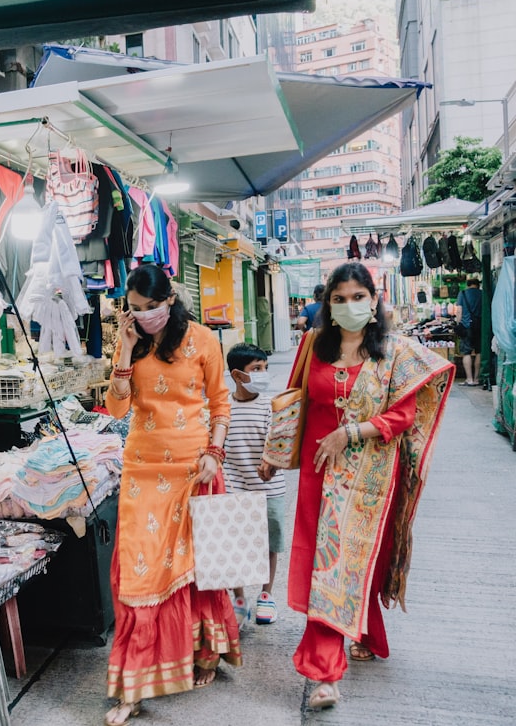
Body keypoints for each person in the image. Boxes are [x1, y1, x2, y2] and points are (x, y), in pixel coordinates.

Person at [286, 262, 453, 709]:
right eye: (339, 299)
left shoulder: (395, 353)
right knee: (328, 563)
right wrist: (271, 454)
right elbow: (294, 402)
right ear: (328, 305)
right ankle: (329, 670)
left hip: (371, 476)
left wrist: (352, 432)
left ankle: (344, 649)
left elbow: (404, 416)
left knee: (352, 561)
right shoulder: (311, 348)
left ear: (374, 301)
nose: (349, 305)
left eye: (358, 297)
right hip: (317, 473)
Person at [103, 264, 240, 726]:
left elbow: (220, 402)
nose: (144, 316)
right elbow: (116, 406)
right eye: (135, 309)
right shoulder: (131, 340)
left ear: (171, 298)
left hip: (193, 467)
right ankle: (134, 685)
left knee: (196, 569)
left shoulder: (203, 340)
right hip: (142, 469)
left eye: (151, 307)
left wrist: (214, 453)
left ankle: (206, 652)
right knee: (139, 576)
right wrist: (123, 347)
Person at [222, 343, 284, 627]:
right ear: (237, 374)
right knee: (233, 542)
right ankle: (237, 598)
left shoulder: (271, 405)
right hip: (233, 485)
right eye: (256, 369)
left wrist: (273, 460)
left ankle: (266, 595)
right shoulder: (223, 406)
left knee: (269, 542)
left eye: (265, 369)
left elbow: (281, 443)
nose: (263, 374)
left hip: (269, 487)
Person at [457, 276, 483, 386]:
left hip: (466, 326)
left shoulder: (462, 294)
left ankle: (469, 379)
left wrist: (459, 324)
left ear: (468, 284)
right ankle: (477, 379)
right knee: (479, 352)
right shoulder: (482, 294)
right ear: (478, 284)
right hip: (479, 326)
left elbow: (459, 311)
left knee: (466, 352)